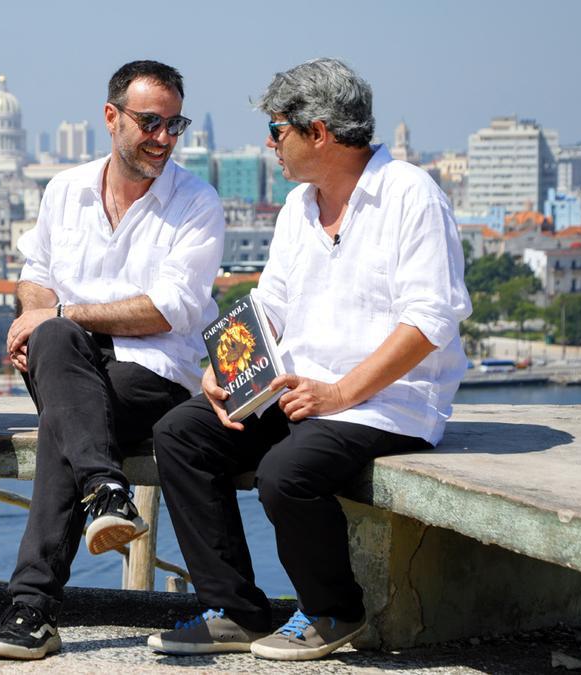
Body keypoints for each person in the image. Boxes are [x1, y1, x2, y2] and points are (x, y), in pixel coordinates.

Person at [148, 58, 472, 662]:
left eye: (277, 131)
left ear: (317, 131)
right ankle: (235, 610)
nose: (269, 145)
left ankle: (332, 610)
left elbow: (431, 320)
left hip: (385, 405)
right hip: (300, 391)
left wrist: (341, 393)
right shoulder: (301, 206)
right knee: (182, 434)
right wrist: (224, 365)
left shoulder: (410, 194)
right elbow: (269, 305)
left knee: (285, 474)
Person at [0, 60, 225, 660]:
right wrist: (42, 316)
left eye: (174, 124)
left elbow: (167, 311)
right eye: (149, 122)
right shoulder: (65, 190)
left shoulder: (196, 202)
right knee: (62, 350)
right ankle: (105, 489)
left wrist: (58, 313)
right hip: (69, 364)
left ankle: (30, 607)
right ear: (111, 118)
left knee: (67, 421)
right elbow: (34, 279)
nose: (163, 138)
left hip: (155, 371)